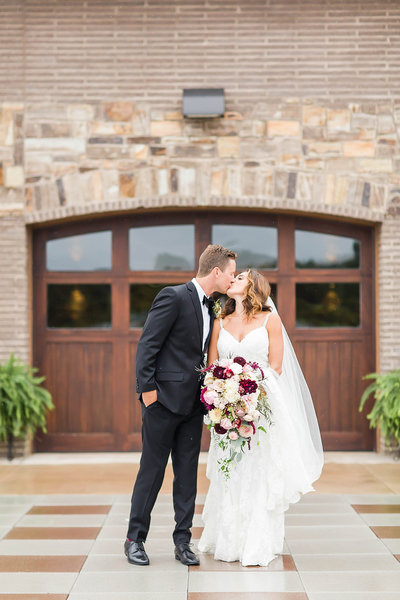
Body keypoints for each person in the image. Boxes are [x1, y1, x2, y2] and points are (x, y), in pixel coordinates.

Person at [198, 269, 323, 567]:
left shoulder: (271, 319)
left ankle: (257, 542)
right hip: (227, 407)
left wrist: (247, 384)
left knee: (258, 470)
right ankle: (228, 539)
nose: (233, 281)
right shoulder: (221, 322)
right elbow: (211, 364)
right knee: (231, 470)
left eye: (239, 278)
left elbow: (276, 366)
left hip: (261, 406)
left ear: (252, 286)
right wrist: (225, 389)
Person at [125, 244, 237, 567]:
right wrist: (149, 395)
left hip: (193, 407)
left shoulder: (213, 306)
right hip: (161, 405)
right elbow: (147, 346)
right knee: (152, 472)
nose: (232, 280)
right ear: (216, 272)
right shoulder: (173, 297)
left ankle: (182, 541)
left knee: (187, 475)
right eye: (230, 274)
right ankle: (135, 540)